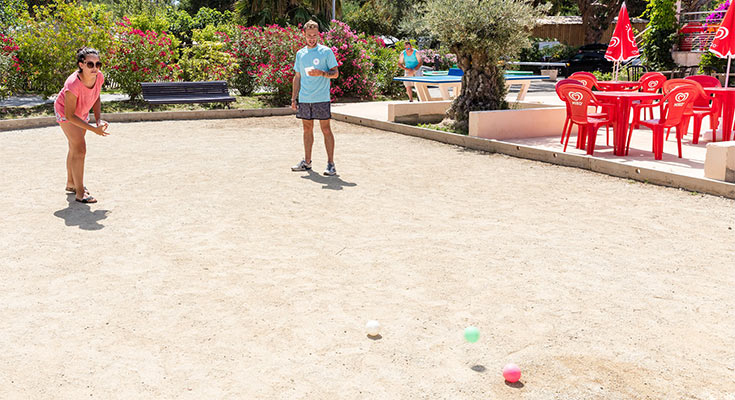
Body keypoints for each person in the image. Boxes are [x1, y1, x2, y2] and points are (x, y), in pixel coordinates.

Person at [54, 47, 109, 203]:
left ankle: (71, 183)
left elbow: (96, 97)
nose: (95, 68)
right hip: (65, 112)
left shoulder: (99, 77)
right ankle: (79, 192)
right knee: (80, 148)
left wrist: (98, 120)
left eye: (98, 64)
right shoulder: (72, 84)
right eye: (90, 64)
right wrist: (93, 130)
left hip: (82, 111)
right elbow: (70, 115)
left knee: (74, 147)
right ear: (81, 64)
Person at [290, 20, 340, 176]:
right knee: (307, 129)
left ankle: (331, 164)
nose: (312, 38)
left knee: (325, 129)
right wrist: (293, 98)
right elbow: (297, 77)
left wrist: (322, 73)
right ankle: (307, 162)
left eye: (314, 35)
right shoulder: (300, 54)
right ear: (304, 35)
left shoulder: (326, 52)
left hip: (321, 98)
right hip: (305, 98)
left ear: (318, 34)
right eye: (309, 35)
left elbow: (336, 73)